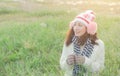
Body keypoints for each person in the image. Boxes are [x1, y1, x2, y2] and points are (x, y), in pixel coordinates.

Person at [60, 10, 105, 76]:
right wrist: (67, 62)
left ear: (88, 28)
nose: (76, 28)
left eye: (80, 25)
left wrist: (85, 62)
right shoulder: (68, 42)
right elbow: (62, 66)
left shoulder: (99, 44)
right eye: (74, 25)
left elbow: (100, 68)